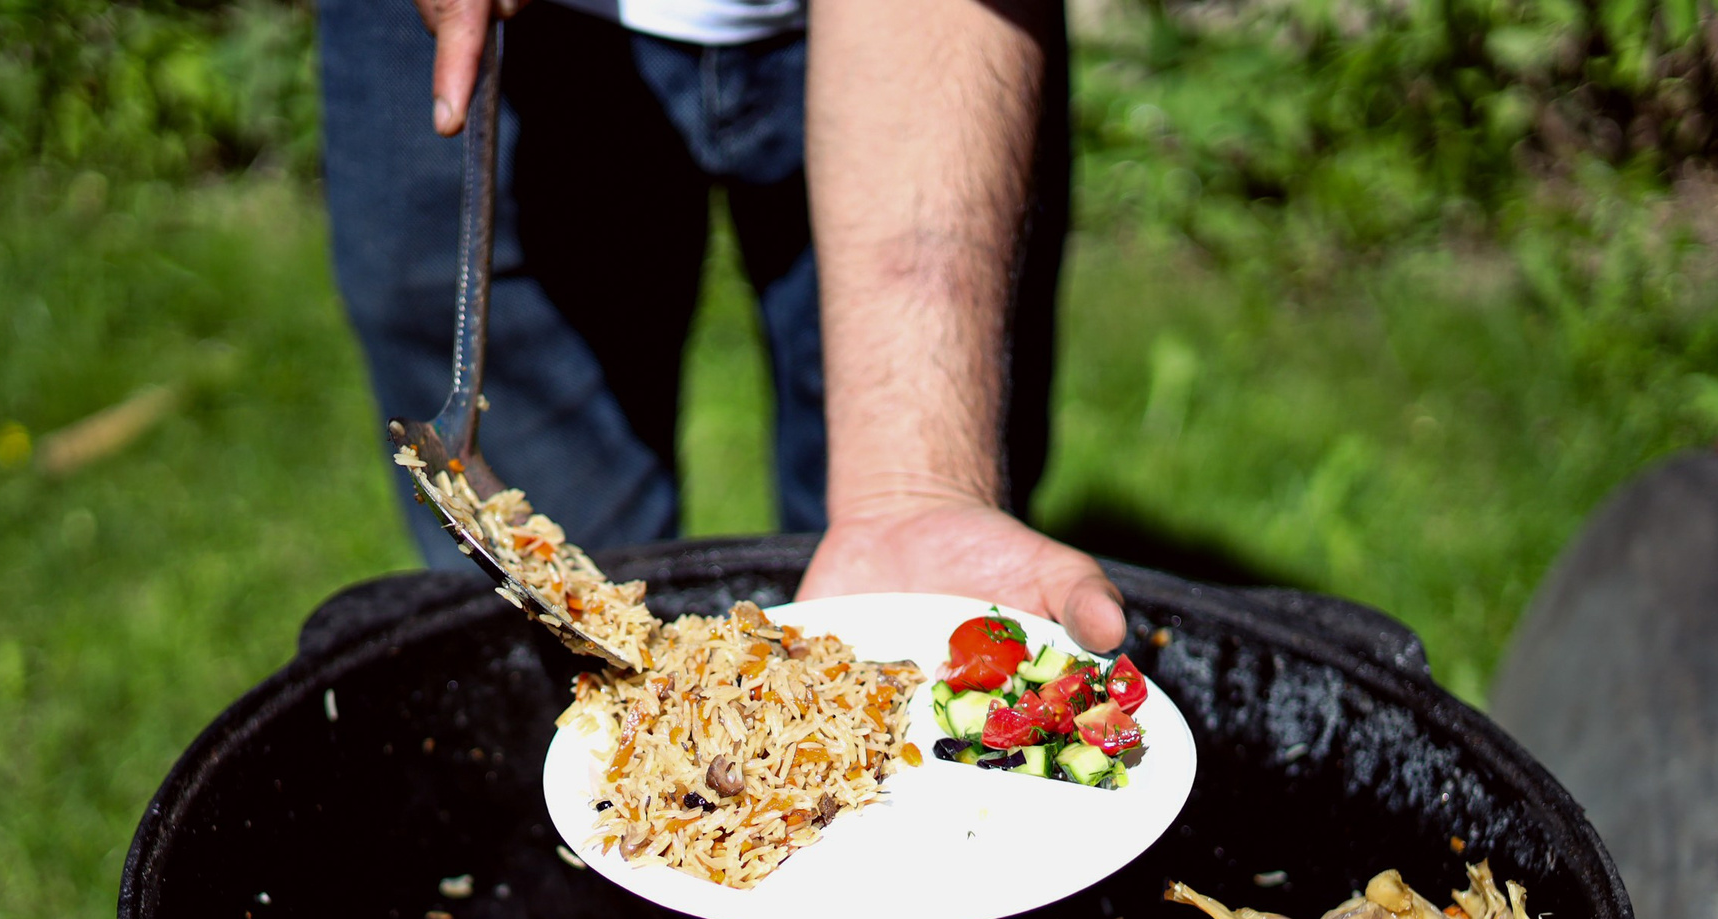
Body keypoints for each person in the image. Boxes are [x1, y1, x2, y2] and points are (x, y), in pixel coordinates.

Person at [325, 0, 1126, 653]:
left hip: (924, 45)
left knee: (898, 583)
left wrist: (916, 483)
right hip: (504, 34)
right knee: (526, 637)